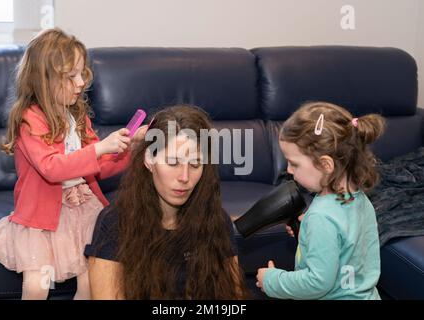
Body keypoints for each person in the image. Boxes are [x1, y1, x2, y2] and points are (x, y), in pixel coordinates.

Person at [0, 28, 145, 300]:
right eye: (71, 77)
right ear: (44, 80)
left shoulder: (77, 117)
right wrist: (100, 148)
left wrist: (130, 149)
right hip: (42, 220)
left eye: (82, 74)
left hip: (81, 211)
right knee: (38, 285)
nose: (81, 83)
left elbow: (100, 167)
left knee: (91, 281)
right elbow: (51, 167)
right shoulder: (29, 119)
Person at [85, 105, 250, 299]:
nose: (184, 177)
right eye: (173, 163)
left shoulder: (216, 220)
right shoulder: (114, 223)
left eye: (196, 164)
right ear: (149, 160)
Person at [256, 101, 385, 299]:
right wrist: (308, 233)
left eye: (294, 164)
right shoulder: (360, 200)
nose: (289, 171)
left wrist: (272, 280)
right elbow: (347, 246)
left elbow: (316, 283)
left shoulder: (322, 217)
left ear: (326, 164)